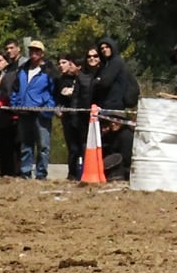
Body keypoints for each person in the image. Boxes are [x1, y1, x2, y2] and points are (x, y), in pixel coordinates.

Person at [89, 37, 138, 181]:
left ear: (113, 47)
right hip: (106, 106)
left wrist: (96, 81)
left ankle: (124, 170)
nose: (104, 50)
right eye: (102, 48)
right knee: (108, 139)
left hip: (115, 107)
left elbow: (105, 82)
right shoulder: (106, 65)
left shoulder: (116, 62)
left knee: (120, 137)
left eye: (107, 47)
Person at [12, 40, 55, 180]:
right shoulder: (22, 70)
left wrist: (47, 107)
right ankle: (25, 172)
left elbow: (54, 92)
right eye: (31, 50)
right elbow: (15, 89)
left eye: (37, 51)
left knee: (43, 146)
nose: (34, 53)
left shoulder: (48, 71)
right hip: (24, 113)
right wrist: (16, 105)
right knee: (26, 145)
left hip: (41, 114)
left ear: (42, 53)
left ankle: (41, 173)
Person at [53, 53, 89, 179]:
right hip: (67, 118)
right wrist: (57, 109)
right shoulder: (60, 80)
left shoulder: (83, 78)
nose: (61, 66)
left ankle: (84, 172)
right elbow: (57, 98)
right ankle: (72, 174)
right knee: (72, 148)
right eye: (59, 63)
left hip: (82, 117)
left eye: (64, 63)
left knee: (83, 146)